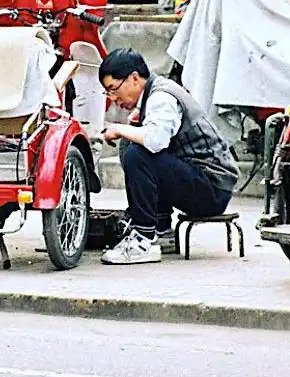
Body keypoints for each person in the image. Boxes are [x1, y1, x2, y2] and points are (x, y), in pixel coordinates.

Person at [98, 48, 238, 265]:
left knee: (138, 153)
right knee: (132, 143)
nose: (113, 98)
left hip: (212, 189)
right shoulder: (153, 94)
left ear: (134, 78)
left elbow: (155, 141)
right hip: (202, 180)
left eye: (113, 89)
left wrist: (119, 128)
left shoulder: (161, 97)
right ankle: (161, 230)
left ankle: (143, 239)